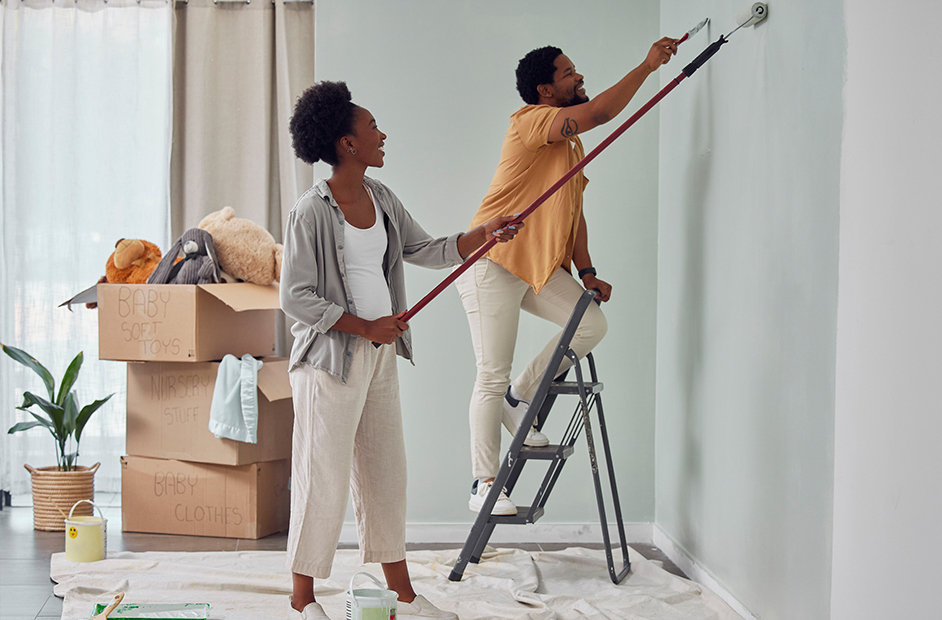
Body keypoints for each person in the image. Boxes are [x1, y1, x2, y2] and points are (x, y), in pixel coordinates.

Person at [282, 81, 521, 620]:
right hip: (328, 365)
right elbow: (294, 297)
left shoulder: (383, 198)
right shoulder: (310, 211)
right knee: (322, 481)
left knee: (386, 475)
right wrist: (363, 326)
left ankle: (404, 597)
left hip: (379, 357)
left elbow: (424, 249)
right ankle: (302, 601)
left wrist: (484, 233)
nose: (381, 134)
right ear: (347, 143)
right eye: (371, 128)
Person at [456, 38, 679, 516]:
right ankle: (483, 484)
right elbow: (600, 113)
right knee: (489, 373)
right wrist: (647, 65)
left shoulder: (570, 145)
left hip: (535, 267)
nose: (579, 77)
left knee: (591, 324)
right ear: (546, 90)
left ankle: (522, 397)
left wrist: (588, 270)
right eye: (568, 73)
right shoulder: (529, 122)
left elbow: (574, 211)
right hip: (493, 263)